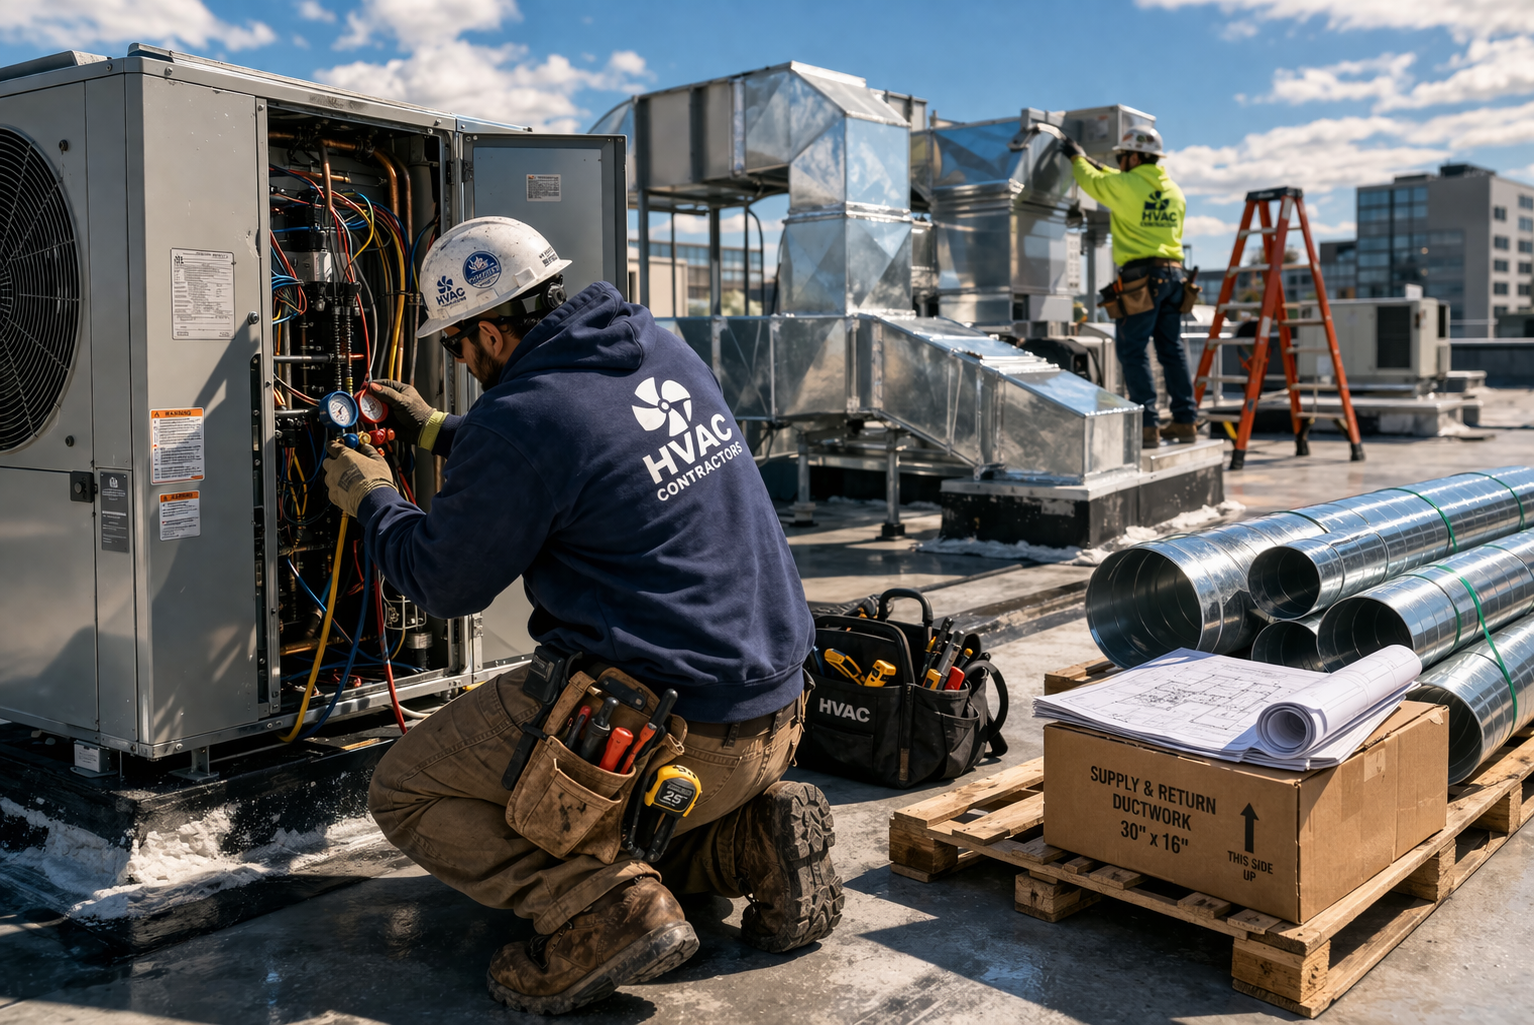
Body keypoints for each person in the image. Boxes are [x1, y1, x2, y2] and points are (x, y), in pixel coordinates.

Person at [321, 216, 842, 1015]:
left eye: (457, 346)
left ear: (488, 332)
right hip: (776, 715)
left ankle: (601, 908)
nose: (461, 364)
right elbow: (582, 446)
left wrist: (374, 499)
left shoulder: (523, 417)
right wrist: (436, 430)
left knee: (406, 789)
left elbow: (441, 579)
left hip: (671, 734)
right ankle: (747, 842)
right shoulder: (656, 346)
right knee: (607, 816)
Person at [1063, 126, 1199, 447]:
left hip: (1141, 280)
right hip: (1175, 277)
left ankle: (1147, 426)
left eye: (1121, 157)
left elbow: (1093, 183)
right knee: (1171, 350)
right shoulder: (1174, 191)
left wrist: (1077, 159)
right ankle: (1186, 421)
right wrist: (1101, 166)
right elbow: (1122, 180)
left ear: (1134, 157)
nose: (1119, 163)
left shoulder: (1125, 186)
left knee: (1133, 351)